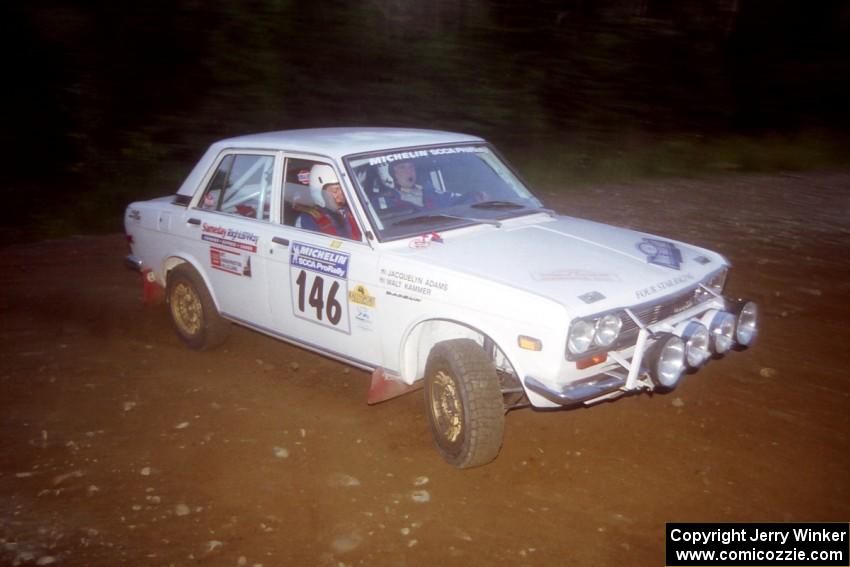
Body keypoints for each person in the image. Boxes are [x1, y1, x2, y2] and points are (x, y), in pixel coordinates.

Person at [295, 164, 361, 240]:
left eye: (342, 189)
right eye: (335, 191)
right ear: (320, 193)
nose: (341, 195)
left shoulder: (352, 211)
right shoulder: (308, 220)